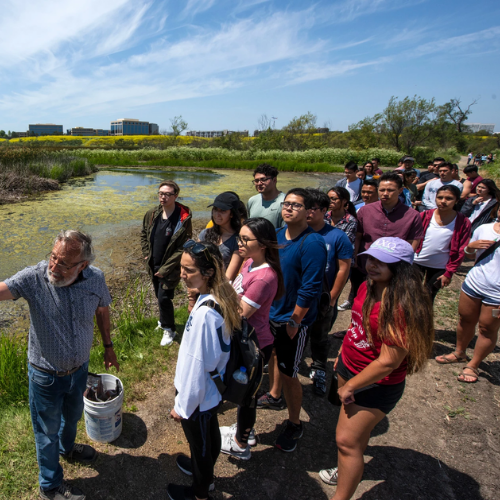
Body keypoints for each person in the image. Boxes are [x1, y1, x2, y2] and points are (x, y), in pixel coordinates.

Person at [0, 230, 119, 500]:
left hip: (79, 370)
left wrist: (108, 346)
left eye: (64, 263)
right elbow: (2, 290)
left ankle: (68, 449)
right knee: (46, 431)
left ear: (82, 265)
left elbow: (102, 310)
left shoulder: (96, 278)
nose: (54, 266)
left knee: (73, 416)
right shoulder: (34, 277)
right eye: (53, 257)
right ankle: (50, 485)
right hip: (45, 377)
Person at [318, 237, 434, 498]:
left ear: (401, 268)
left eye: (382, 262)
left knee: (346, 442)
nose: (372, 265)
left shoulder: (401, 306)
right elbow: (356, 325)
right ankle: (347, 469)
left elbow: (389, 361)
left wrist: (352, 385)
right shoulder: (368, 287)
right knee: (354, 438)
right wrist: (342, 356)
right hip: (350, 368)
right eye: (371, 258)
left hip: (374, 383)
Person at [257, 188, 327, 453]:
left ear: (309, 211)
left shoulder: (312, 243)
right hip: (271, 314)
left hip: (291, 319)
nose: (288, 209)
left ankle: (295, 423)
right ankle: (275, 396)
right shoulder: (276, 236)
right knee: (273, 356)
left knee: (289, 372)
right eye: (286, 204)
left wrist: (295, 321)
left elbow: (310, 287)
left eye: (296, 205)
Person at [169, 240, 241, 500]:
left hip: (198, 395)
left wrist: (183, 405)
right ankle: (205, 474)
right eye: (181, 267)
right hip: (211, 391)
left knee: (199, 444)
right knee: (208, 434)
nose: (182, 274)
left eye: (189, 270)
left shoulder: (205, 315)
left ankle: (200, 491)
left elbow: (197, 365)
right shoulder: (218, 298)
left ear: (208, 273)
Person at [219, 217, 285, 459]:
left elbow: (242, 313)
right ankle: (244, 432)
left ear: (264, 244)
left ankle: (241, 443)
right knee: (246, 391)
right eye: (240, 238)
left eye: (246, 239)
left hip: (254, 344)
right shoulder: (250, 263)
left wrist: (219, 295)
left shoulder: (264, 277)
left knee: (248, 396)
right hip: (245, 339)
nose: (241, 243)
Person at [340, 173, 424, 313]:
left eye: (390, 190)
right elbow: (359, 236)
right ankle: (357, 329)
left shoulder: (412, 215)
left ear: (400, 190)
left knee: (388, 302)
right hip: (364, 263)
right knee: (360, 298)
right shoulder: (365, 211)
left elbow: (413, 241)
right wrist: (354, 258)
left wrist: (404, 264)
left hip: (393, 268)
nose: (385, 193)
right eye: (382, 190)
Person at [435, 208, 500, 384]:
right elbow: (469, 255)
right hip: (474, 283)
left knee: (487, 329)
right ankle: (459, 352)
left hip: (497, 294)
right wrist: (470, 247)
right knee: (465, 319)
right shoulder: (484, 228)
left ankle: (473, 365)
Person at [306, 189, 352, 396]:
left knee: (320, 336)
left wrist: (333, 297)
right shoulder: (296, 231)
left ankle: (318, 368)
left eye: (311, 208)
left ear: (324, 210)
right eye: (302, 206)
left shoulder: (337, 236)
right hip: (297, 296)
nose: (305, 211)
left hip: (322, 297)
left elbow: (343, 268)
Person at [141, 181, 192, 346]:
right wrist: (146, 254)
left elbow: (182, 246)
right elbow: (143, 234)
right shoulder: (152, 214)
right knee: (159, 295)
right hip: (153, 264)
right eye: (160, 193)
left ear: (175, 196)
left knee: (164, 298)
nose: (163, 197)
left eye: (167, 194)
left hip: (171, 267)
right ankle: (163, 322)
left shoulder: (182, 218)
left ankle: (169, 329)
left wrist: (165, 268)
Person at [414, 185, 471, 303]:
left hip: (439, 266)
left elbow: (461, 249)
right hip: (416, 262)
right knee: (410, 294)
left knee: (429, 297)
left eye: (449, 198)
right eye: (440, 197)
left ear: (457, 200)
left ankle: (424, 321)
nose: (443, 201)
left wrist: (449, 272)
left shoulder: (463, 222)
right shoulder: (424, 216)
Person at [198, 192, 244, 282]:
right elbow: (196, 261)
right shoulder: (205, 234)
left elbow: (229, 277)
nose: (217, 214)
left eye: (223, 211)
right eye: (215, 209)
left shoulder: (237, 240)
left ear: (231, 214)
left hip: (221, 289)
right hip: (200, 285)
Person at [247, 163, 285, 228]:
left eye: (263, 180)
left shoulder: (285, 203)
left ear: (274, 180)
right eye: (256, 180)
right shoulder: (252, 201)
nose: (259, 183)